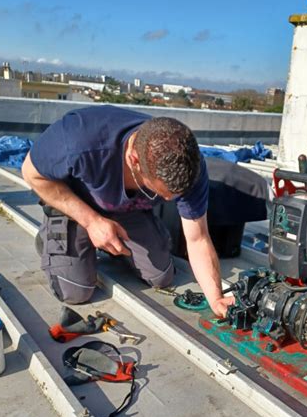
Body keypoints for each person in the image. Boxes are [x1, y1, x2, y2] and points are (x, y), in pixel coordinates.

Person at [21, 105, 235, 317]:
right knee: (74, 291)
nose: (169, 200)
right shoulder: (78, 139)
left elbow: (198, 239)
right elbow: (31, 174)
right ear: (134, 160)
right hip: (76, 204)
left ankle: (113, 241)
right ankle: (53, 236)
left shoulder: (190, 166)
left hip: (124, 207)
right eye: (160, 192)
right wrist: (92, 222)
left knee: (161, 276)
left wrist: (216, 298)